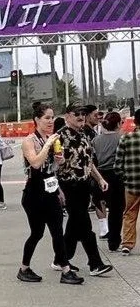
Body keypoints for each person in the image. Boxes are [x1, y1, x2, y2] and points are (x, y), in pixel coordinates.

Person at [17, 103, 83, 285]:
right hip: (33, 194)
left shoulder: (53, 139)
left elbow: (51, 170)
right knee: (37, 233)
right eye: (47, 117)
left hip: (50, 190)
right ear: (37, 119)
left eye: (52, 117)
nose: (50, 121)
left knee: (57, 232)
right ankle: (24, 268)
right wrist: (47, 145)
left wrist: (58, 167)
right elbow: (36, 163)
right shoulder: (29, 141)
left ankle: (66, 269)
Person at [57, 104, 113, 276]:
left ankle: (60, 259)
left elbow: (88, 162)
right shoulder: (60, 137)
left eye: (83, 115)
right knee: (84, 225)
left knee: (74, 225)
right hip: (68, 186)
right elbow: (53, 166)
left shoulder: (83, 135)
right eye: (77, 115)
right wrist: (58, 190)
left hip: (84, 186)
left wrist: (100, 178)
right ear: (68, 116)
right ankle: (95, 263)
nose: (81, 118)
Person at [93, 111, 125, 253]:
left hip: (100, 174)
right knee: (116, 210)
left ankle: (104, 230)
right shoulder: (121, 138)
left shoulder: (96, 140)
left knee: (103, 205)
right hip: (116, 175)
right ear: (118, 124)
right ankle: (114, 240)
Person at [115, 108, 140, 255]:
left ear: (135, 121)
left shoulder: (125, 138)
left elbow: (118, 165)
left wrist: (125, 177)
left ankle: (127, 244)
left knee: (130, 214)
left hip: (131, 185)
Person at [83, 104, 108, 238]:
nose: (98, 117)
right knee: (98, 198)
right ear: (87, 116)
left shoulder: (92, 131)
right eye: (95, 115)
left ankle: (104, 228)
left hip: (95, 169)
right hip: (91, 171)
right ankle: (103, 229)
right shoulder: (86, 133)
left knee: (99, 199)